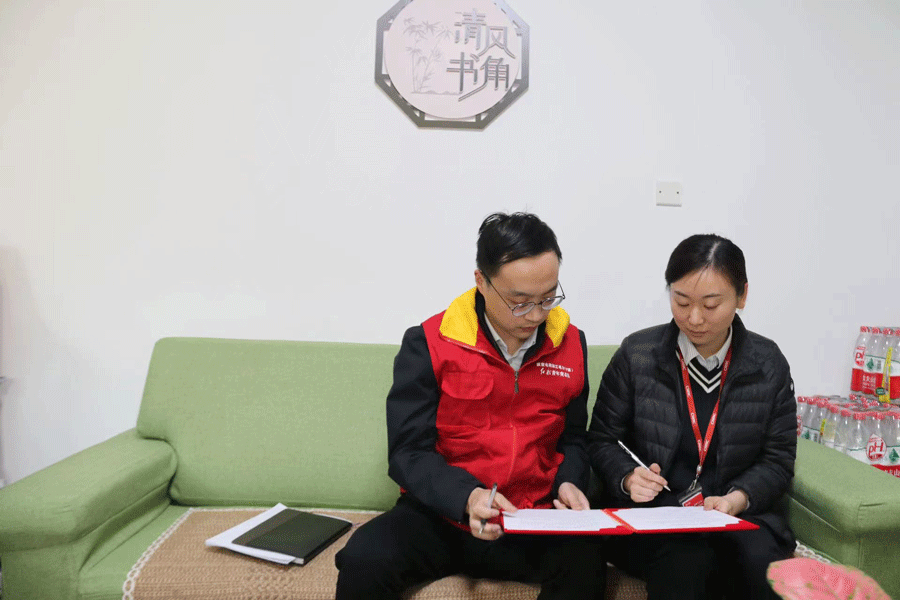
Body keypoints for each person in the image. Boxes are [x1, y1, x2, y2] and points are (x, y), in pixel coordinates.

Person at [335, 212, 605, 600]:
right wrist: (467, 498)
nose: (536, 315)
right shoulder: (430, 343)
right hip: (443, 516)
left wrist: (569, 482)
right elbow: (408, 453)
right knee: (365, 559)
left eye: (548, 297)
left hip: (533, 516)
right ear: (481, 281)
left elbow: (574, 439)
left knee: (586, 563)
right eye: (519, 301)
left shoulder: (571, 344)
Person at [588, 233, 797, 600]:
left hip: (737, 515)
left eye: (711, 304)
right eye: (681, 301)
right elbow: (602, 439)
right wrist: (627, 477)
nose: (694, 318)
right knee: (686, 560)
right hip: (657, 516)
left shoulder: (768, 364)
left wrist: (737, 499)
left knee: (761, 565)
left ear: (742, 296)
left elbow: (778, 460)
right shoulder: (637, 355)